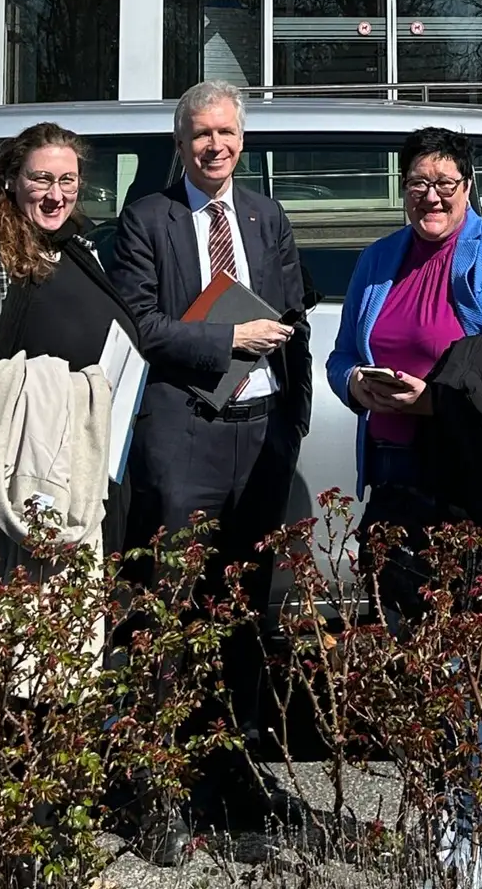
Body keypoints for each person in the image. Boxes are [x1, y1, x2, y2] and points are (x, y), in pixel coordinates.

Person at [109, 80, 311, 830]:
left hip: (259, 433)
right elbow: (140, 324)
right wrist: (225, 340)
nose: (214, 146)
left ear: (243, 139)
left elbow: (294, 317)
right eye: (200, 135)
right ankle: (159, 785)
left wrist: (292, 422)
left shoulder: (264, 216)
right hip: (183, 433)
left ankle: (235, 771)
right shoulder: (146, 219)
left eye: (226, 133)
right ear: (179, 141)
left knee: (245, 607)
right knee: (170, 605)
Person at [326, 124, 482, 544]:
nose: (431, 197)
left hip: (467, 469)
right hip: (390, 470)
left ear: (467, 187)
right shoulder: (378, 258)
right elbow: (341, 355)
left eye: (445, 183)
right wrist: (355, 384)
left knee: (460, 603)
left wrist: (433, 401)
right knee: (392, 598)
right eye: (418, 183)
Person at [0, 121, 139, 561]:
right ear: (10, 181)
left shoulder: (78, 249)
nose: (55, 195)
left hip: (88, 474)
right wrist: (64, 398)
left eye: (67, 181)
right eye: (40, 179)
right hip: (24, 485)